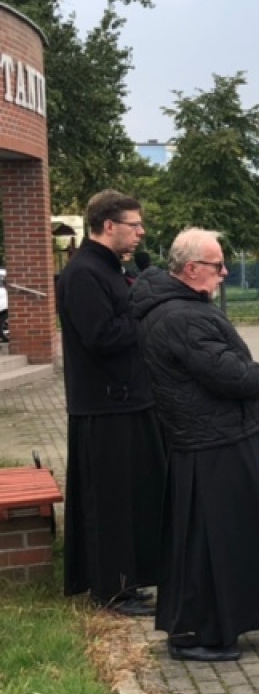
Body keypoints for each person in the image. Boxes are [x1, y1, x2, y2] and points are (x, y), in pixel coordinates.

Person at [132, 228, 259, 662]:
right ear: (191, 269)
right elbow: (229, 374)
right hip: (213, 441)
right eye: (217, 265)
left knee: (218, 540)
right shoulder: (182, 316)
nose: (225, 272)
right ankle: (197, 631)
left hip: (212, 436)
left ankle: (212, 622)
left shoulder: (178, 308)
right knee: (211, 542)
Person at [56, 190, 164, 617]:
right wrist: (143, 313)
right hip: (104, 407)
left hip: (128, 401)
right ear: (107, 226)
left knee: (133, 498)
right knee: (111, 503)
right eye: (134, 225)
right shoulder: (83, 274)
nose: (140, 233)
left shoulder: (109, 270)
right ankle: (111, 588)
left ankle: (129, 579)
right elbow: (102, 337)